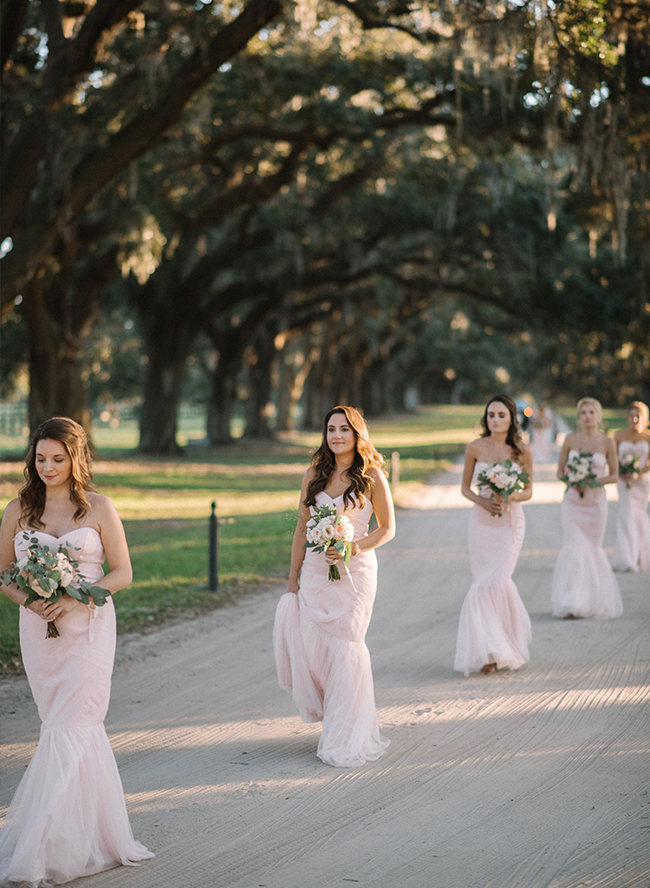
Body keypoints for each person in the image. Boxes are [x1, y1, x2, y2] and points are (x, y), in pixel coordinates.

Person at [0, 417, 153, 887]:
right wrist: (32, 600)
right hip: (39, 628)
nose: (47, 467)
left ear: (76, 458)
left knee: (78, 720)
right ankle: (79, 836)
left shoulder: (100, 508)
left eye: (58, 459)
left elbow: (122, 573)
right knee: (57, 722)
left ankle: (46, 840)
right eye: (40, 458)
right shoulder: (18, 509)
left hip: (87, 627)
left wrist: (76, 596)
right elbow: (4, 573)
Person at [273, 406, 395, 767]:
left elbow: (387, 528)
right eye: (330, 429)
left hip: (355, 574)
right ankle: (336, 712)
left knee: (346, 649)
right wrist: (293, 577)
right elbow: (300, 527)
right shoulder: (315, 473)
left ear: (358, 434)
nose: (337, 435)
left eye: (344, 429)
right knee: (313, 647)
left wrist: (352, 546)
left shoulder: (372, 475)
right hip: (314, 571)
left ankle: (346, 732)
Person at [455, 394, 533, 677]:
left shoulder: (522, 451)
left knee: (499, 580)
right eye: (491, 415)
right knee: (483, 583)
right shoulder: (475, 447)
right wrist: (483, 501)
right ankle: (489, 652)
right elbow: (465, 488)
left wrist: (510, 495)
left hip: (510, 522)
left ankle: (506, 645)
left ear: (512, 418)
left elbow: (529, 490)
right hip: (481, 522)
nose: (495, 420)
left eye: (501, 415)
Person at [551, 398, 622, 618]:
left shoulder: (607, 443)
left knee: (592, 548)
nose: (588, 416)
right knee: (574, 548)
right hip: (573, 501)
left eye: (592, 412)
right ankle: (572, 600)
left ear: (599, 416)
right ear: (579, 416)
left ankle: (594, 601)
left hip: (595, 503)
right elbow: (560, 471)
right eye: (583, 412)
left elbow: (614, 475)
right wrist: (572, 480)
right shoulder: (571, 439)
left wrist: (594, 480)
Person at [611, 401, 650, 572]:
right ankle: (627, 559)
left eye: (638, 416)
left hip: (642, 482)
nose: (634, 419)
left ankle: (642, 557)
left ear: (644, 418)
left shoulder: (648, 437)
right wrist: (621, 472)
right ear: (627, 417)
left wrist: (638, 472)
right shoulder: (619, 435)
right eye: (631, 416)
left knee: (639, 515)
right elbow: (612, 458)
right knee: (626, 514)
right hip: (624, 481)